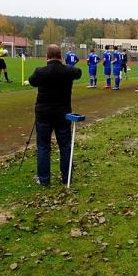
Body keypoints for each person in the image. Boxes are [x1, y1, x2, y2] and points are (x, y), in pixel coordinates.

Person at [28, 45, 82, 186]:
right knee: (65, 146)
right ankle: (67, 177)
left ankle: (44, 179)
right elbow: (79, 72)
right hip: (63, 114)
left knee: (43, 147)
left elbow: (32, 81)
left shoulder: (40, 71)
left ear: (47, 57)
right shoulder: (68, 71)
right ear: (61, 56)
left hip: (44, 114)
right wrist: (66, 66)